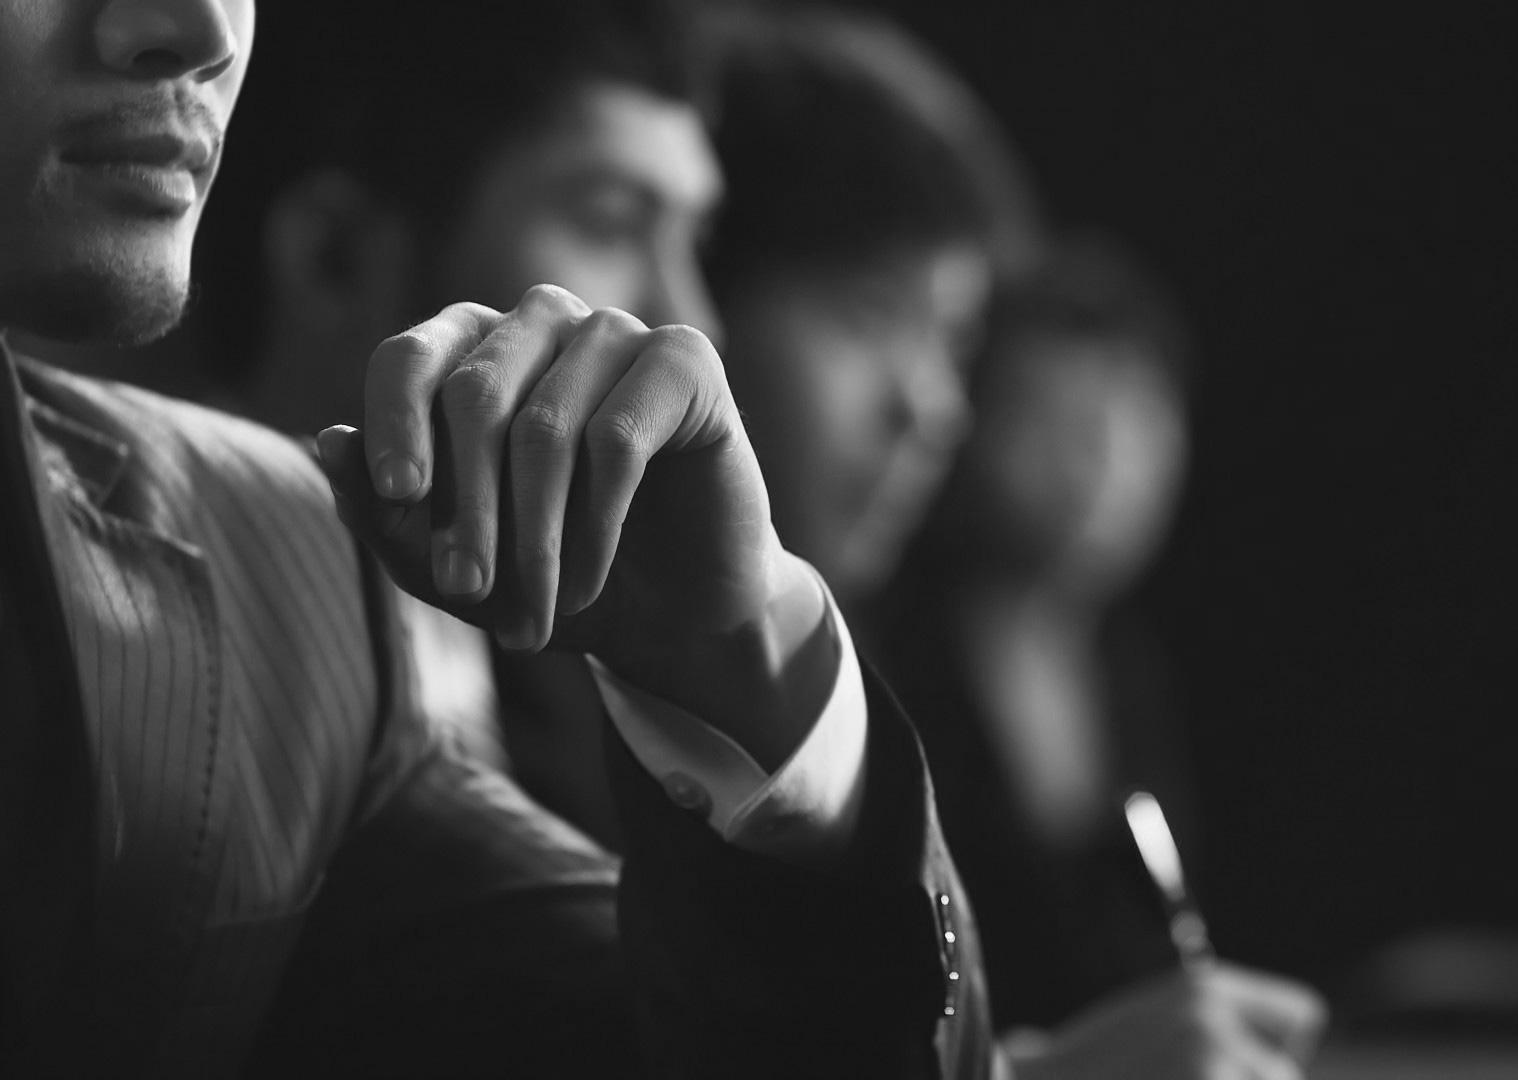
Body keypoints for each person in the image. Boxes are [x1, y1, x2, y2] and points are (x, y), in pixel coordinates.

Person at [0, 0, 995, 1075]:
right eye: (608, 220)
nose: (203, 26)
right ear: (333, 254)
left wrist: (745, 651)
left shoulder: (305, 612)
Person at [695, 12, 1324, 1078]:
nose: (929, 409)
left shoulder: (1089, 667)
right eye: (868, 315)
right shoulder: (594, 650)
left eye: (951, 344)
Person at [873, 233, 1324, 1077]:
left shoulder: (1130, 668)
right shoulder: (886, 661)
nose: (1104, 463)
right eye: (1058, 420)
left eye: (1139, 421)